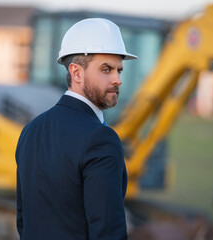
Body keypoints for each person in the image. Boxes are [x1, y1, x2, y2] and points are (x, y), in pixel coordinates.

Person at [15, 18, 137, 240]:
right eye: (106, 69)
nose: (117, 79)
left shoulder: (30, 131)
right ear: (76, 73)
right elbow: (108, 232)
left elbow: (24, 223)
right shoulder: (101, 138)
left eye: (119, 70)